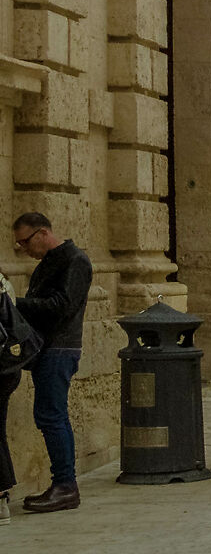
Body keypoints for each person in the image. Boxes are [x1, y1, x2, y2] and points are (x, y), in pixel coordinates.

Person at [7, 213, 91, 514]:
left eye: (25, 241)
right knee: (49, 416)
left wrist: (13, 302)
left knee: (52, 416)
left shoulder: (75, 260)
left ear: (43, 233)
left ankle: (66, 486)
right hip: (48, 349)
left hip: (60, 349)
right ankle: (64, 485)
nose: (23, 249)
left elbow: (61, 307)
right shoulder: (48, 263)